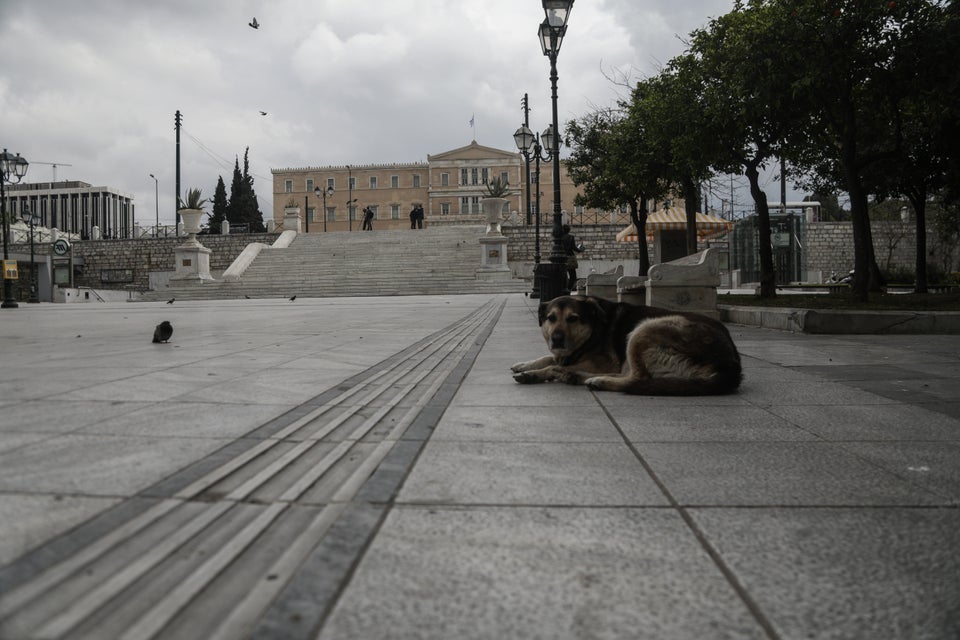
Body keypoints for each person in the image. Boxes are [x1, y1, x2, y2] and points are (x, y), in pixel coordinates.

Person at [560, 224, 584, 291]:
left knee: (563, 275)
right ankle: (568, 289)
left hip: (561, 258)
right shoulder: (570, 237)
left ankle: (563, 288)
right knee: (573, 276)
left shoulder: (559, 238)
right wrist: (580, 250)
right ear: (568, 230)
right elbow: (573, 247)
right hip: (570, 258)